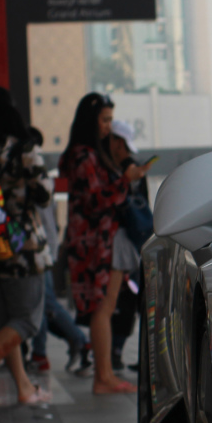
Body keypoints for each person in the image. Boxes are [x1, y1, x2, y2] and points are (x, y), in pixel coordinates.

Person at [61, 93, 148, 395]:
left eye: (111, 120)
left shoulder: (83, 154)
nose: (108, 127)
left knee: (106, 307)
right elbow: (97, 201)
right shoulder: (84, 156)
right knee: (103, 309)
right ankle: (103, 377)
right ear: (91, 120)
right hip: (94, 242)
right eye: (105, 120)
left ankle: (106, 374)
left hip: (96, 241)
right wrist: (126, 179)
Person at [0, 88, 53, 403]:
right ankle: (24, 388)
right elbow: (44, 195)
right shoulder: (23, 150)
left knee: (6, 319)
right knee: (26, 319)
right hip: (21, 243)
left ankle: (24, 388)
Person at [26, 126, 87, 374]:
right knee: (43, 303)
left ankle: (71, 344)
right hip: (44, 248)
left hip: (39, 250)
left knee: (42, 303)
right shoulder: (41, 177)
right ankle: (72, 344)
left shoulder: (32, 174)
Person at [105, 121, 150, 371]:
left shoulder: (123, 170)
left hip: (124, 242)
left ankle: (116, 351)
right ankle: (125, 353)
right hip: (137, 240)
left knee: (124, 299)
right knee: (131, 298)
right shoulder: (134, 169)